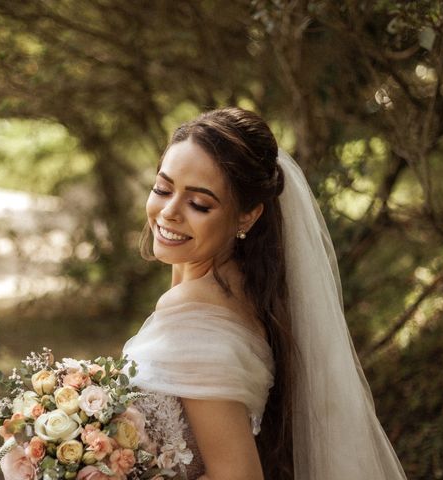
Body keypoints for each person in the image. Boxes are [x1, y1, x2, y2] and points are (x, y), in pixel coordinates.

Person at [122, 107, 408, 480]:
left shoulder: (191, 312)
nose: (169, 212)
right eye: (163, 188)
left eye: (199, 204)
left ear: (246, 217)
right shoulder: (248, 290)